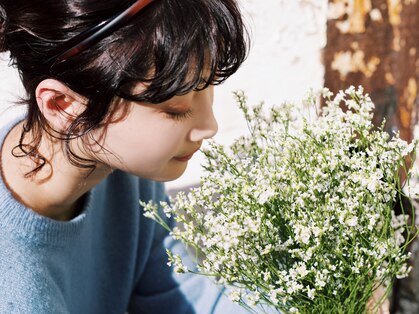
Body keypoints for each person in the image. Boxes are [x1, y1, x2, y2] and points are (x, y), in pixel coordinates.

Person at [0, 0, 250, 312]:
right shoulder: (15, 293)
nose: (209, 126)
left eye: (207, 87)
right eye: (175, 110)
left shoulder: (117, 169)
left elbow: (189, 295)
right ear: (62, 105)